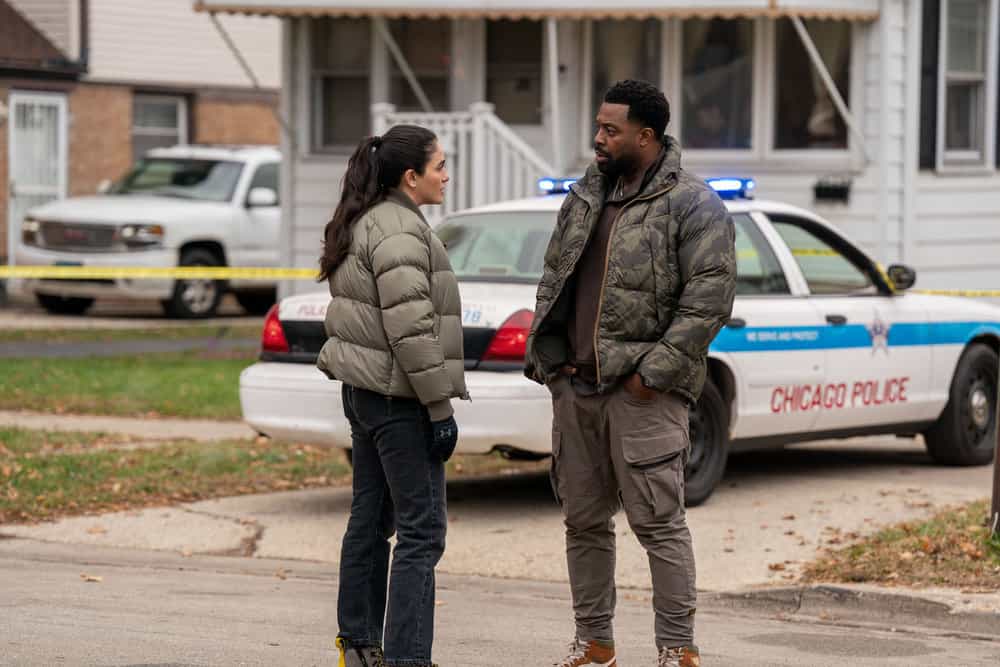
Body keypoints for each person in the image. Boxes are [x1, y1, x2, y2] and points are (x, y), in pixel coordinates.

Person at [525, 80, 737, 667]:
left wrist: (651, 375)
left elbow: (709, 302)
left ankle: (678, 649)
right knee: (583, 523)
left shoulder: (694, 205)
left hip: (643, 396)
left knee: (659, 525)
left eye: (610, 129)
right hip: (576, 387)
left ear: (646, 137)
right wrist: (553, 367)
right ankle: (595, 643)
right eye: (598, 126)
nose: (597, 138)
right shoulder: (584, 196)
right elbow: (552, 277)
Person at [316, 124, 467, 667]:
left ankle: (358, 647)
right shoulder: (400, 231)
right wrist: (439, 408)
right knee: (422, 533)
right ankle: (408, 659)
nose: (446, 176)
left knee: (371, 519)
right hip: (400, 400)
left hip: (365, 394)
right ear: (410, 176)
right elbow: (411, 330)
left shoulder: (366, 219)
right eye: (439, 166)